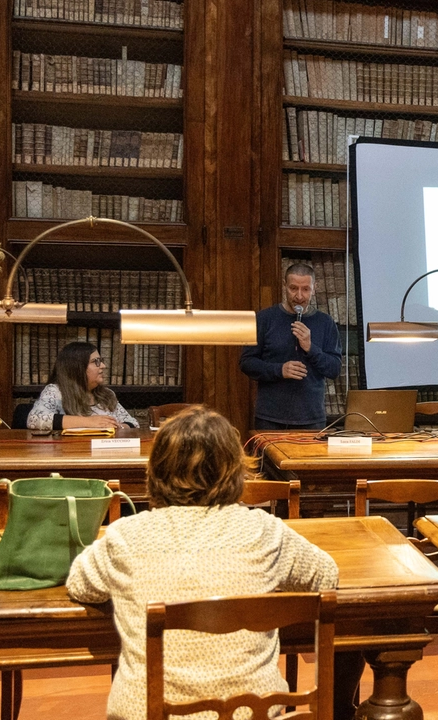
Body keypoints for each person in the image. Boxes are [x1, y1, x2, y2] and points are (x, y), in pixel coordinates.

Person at [67, 406, 339, 720]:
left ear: (157, 469)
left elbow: (80, 585)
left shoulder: (126, 537)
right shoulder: (265, 532)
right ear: (235, 469)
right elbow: (326, 576)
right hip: (251, 714)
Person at [239, 263, 342, 430]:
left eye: (306, 289)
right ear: (284, 286)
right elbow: (246, 363)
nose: (299, 296)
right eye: (293, 288)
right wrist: (279, 370)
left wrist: (311, 348)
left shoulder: (325, 322)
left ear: (314, 289)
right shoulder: (265, 319)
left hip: (311, 419)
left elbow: (334, 369)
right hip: (270, 418)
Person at [27, 341, 138, 432]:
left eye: (101, 361)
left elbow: (133, 423)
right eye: (96, 362)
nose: (103, 366)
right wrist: (90, 422)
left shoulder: (107, 394)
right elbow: (35, 420)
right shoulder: (55, 391)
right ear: (77, 367)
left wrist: (119, 427)